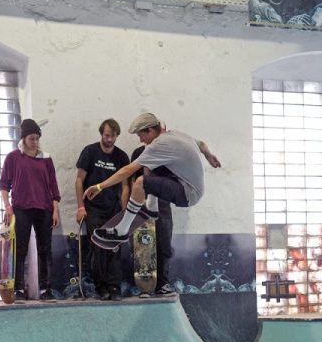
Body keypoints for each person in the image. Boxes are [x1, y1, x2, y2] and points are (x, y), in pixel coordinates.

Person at [85, 113, 221, 248]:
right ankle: (152, 206)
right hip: (187, 184)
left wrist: (99, 187)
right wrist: (210, 156)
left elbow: (127, 170)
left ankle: (121, 231)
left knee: (140, 183)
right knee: (151, 161)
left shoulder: (159, 145)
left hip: (188, 193)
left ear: (150, 130)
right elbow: (201, 144)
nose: (140, 140)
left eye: (141, 135)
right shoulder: (175, 134)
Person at [0, 119, 61, 301]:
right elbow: (3, 185)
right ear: (24, 138)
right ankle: (17, 288)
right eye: (31, 138)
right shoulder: (13, 157)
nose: (35, 142)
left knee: (45, 249)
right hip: (21, 208)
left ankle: (46, 288)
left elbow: (53, 187)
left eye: (37, 138)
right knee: (20, 249)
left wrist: (55, 210)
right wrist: (7, 206)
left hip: (44, 209)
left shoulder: (46, 159)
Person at [75, 119, 129, 301]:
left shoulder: (121, 157)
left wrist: (124, 211)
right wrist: (81, 207)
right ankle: (101, 287)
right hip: (94, 209)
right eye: (107, 135)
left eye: (113, 136)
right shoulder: (90, 152)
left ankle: (115, 287)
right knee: (98, 247)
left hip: (113, 209)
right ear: (101, 134)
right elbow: (79, 181)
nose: (110, 139)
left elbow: (124, 186)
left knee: (114, 247)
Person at [130, 135, 175, 297]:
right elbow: (133, 181)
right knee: (143, 247)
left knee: (165, 245)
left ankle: (163, 284)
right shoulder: (138, 153)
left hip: (163, 205)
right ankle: (145, 287)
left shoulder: (169, 153)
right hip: (143, 205)